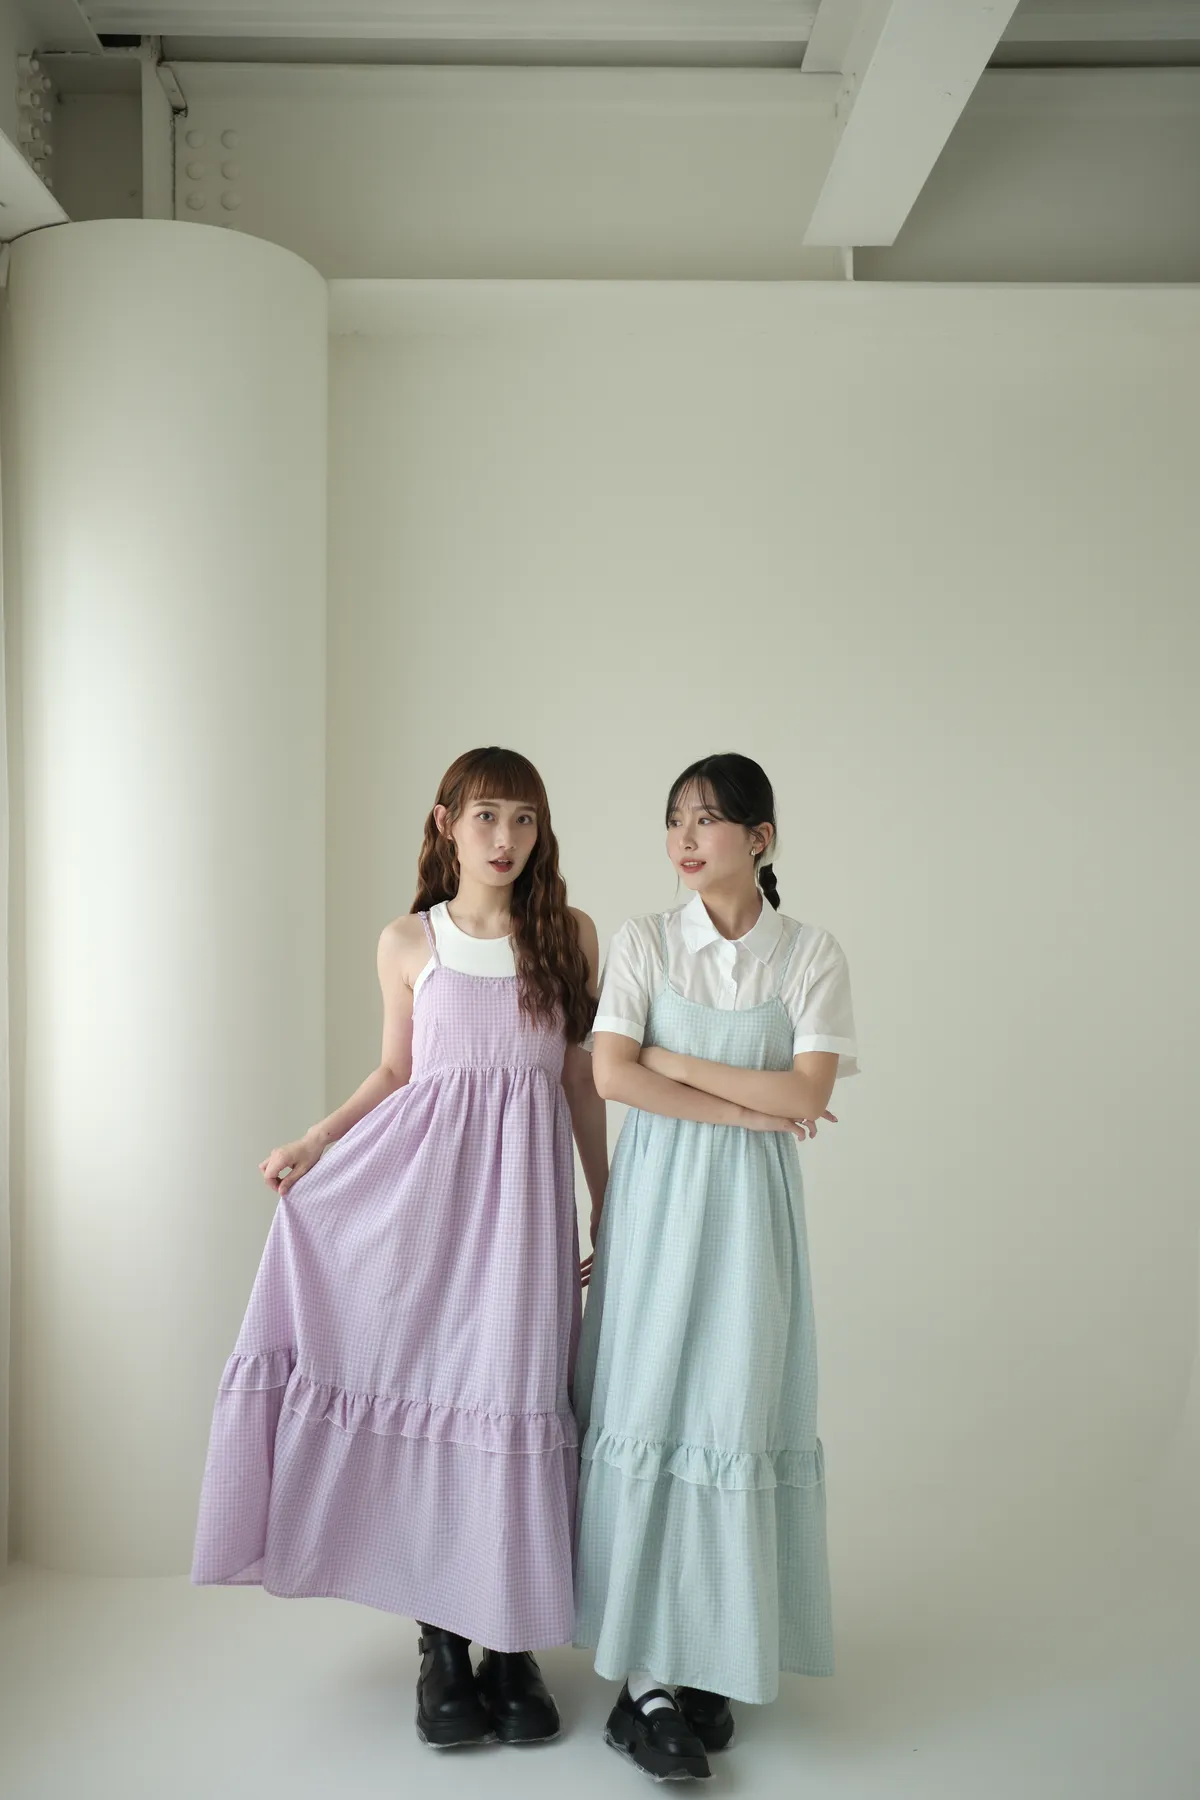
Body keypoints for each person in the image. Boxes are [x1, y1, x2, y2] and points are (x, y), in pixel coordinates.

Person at [192, 746, 607, 1751]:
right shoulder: (408, 941)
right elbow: (395, 1072)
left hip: (524, 1219)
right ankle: (443, 1644)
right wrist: (316, 1142)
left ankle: (511, 1644)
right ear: (445, 822)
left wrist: (612, 1201)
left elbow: (578, 1081)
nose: (505, 838)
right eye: (486, 816)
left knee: (514, 1399)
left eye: (524, 818)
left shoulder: (570, 935)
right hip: (426, 1209)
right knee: (432, 1396)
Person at [574, 752, 858, 1781]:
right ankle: (643, 1678)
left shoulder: (810, 954)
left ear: (760, 838)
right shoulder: (645, 941)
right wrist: (749, 1102)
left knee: (732, 1409)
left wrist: (675, 1060)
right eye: (675, 821)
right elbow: (612, 1077)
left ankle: (707, 1658)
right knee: (649, 1406)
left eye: (707, 820)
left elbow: (808, 1092)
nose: (685, 840)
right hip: (656, 1209)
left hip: (750, 1220)